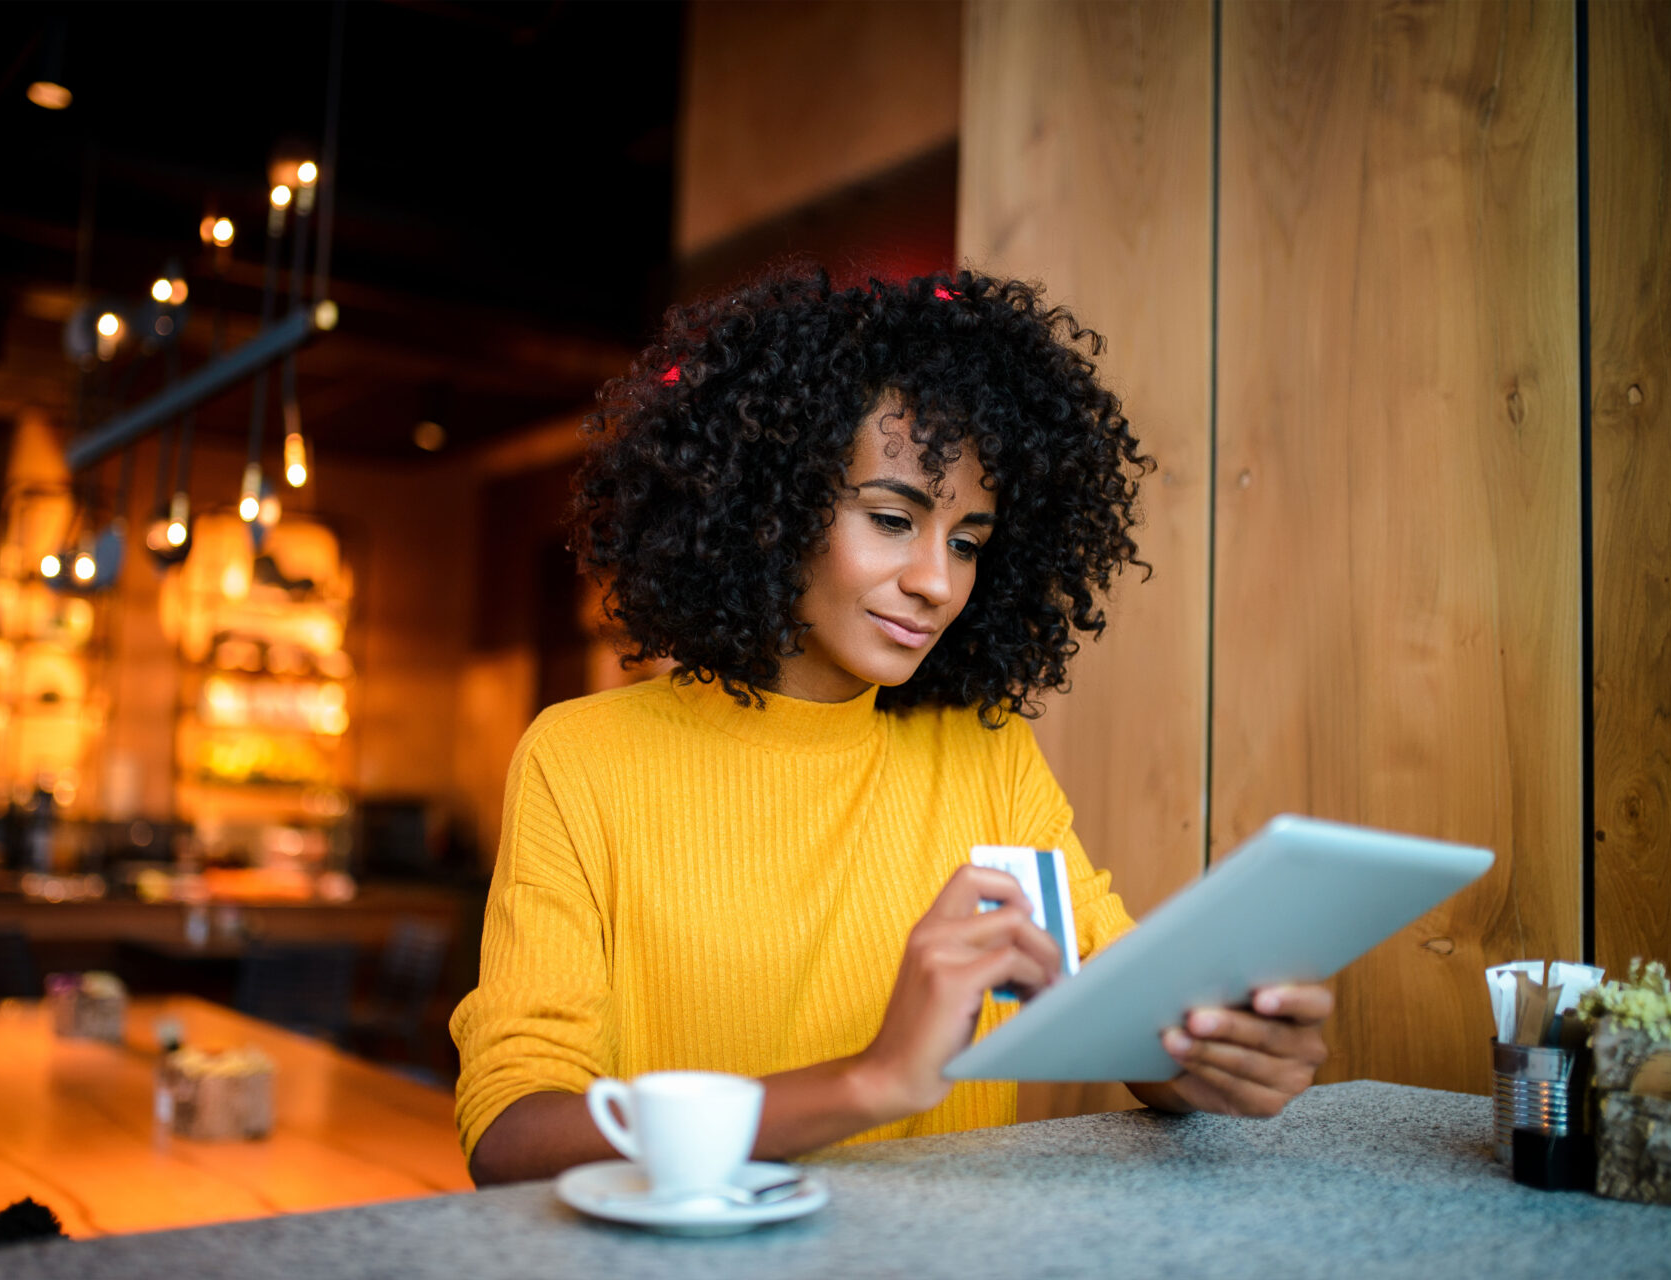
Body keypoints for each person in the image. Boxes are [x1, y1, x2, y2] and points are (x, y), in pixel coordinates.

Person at [450, 268, 1332, 1185]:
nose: (938, 583)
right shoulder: (584, 759)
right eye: (890, 518)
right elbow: (514, 1136)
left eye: (966, 542)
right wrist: (869, 1082)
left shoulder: (984, 754)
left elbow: (1126, 1018)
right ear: (768, 510)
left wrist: (1218, 1050)